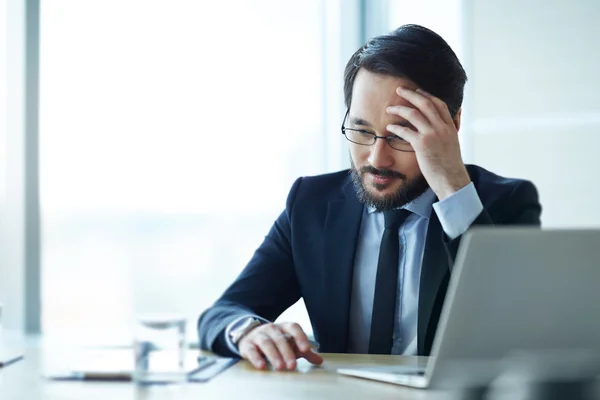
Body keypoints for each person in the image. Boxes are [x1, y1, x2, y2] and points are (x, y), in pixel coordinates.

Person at [197, 24, 542, 371]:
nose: (377, 159)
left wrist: (452, 186)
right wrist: (248, 332)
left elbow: (518, 331)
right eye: (362, 131)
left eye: (401, 134)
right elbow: (224, 313)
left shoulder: (506, 203)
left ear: (450, 126)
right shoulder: (311, 205)